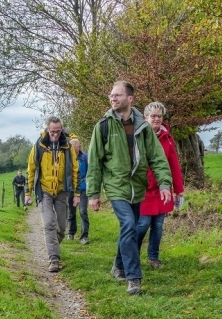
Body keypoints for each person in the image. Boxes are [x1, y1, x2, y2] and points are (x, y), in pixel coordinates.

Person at [86, 80, 172, 295]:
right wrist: (94, 193)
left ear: (130, 99)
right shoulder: (103, 126)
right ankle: (133, 278)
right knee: (129, 226)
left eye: (117, 95)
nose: (112, 98)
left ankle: (119, 265)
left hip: (138, 187)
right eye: (111, 95)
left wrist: (164, 183)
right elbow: (95, 162)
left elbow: (157, 157)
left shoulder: (143, 126)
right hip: (116, 187)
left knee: (130, 229)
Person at [25, 115, 79, 272]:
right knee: (49, 224)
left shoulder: (67, 147)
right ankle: (54, 259)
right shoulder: (39, 146)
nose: (55, 134)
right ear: (47, 130)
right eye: (52, 131)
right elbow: (31, 170)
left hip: (62, 191)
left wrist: (77, 194)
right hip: (44, 191)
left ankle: (52, 244)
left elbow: (75, 170)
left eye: (58, 131)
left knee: (61, 228)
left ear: (61, 130)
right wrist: (28, 193)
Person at [136, 102, 184, 269]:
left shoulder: (167, 138)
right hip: (143, 189)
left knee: (158, 225)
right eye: (153, 116)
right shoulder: (138, 135)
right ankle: (132, 255)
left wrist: (179, 190)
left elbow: (174, 165)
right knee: (142, 225)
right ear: (145, 117)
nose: (156, 119)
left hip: (162, 190)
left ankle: (153, 258)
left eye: (159, 116)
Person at [67, 139, 90, 244]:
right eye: (72, 150)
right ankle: (71, 232)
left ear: (79, 147)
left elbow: (91, 172)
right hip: (71, 189)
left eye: (75, 149)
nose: (74, 152)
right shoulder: (66, 158)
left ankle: (84, 236)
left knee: (83, 211)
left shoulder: (85, 158)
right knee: (71, 212)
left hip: (83, 188)